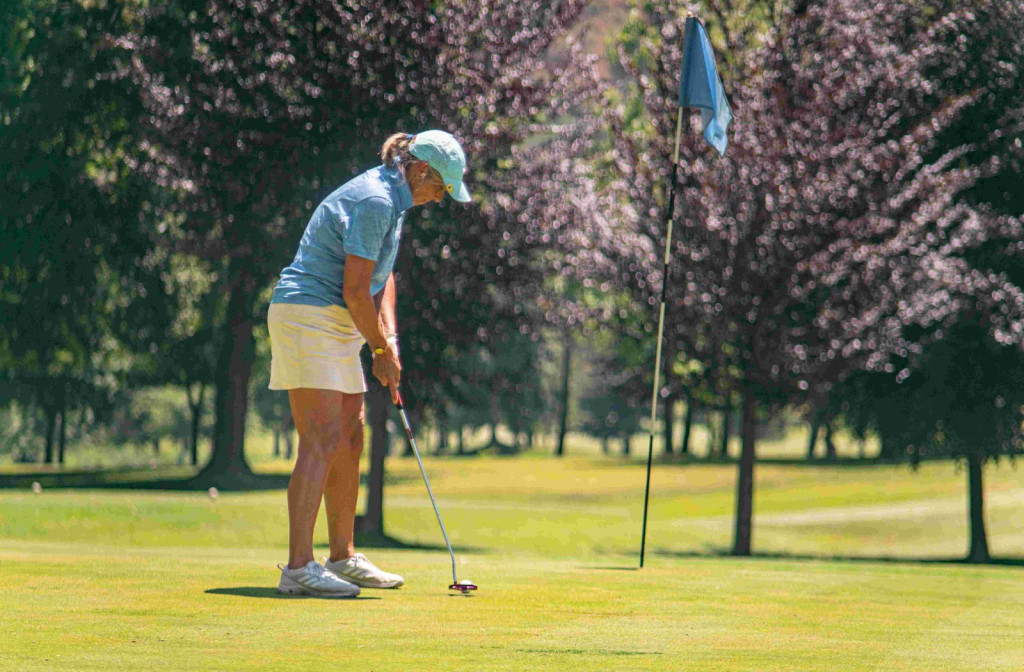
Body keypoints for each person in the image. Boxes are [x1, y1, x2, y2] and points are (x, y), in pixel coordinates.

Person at [267, 130, 471, 598]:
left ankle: (342, 557)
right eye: (439, 188)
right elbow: (355, 289)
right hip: (309, 314)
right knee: (321, 437)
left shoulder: (395, 204)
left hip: (336, 318)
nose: (439, 199)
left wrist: (389, 341)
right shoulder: (378, 200)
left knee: (351, 437)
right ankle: (299, 567)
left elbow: (382, 278)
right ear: (420, 171)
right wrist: (378, 350)